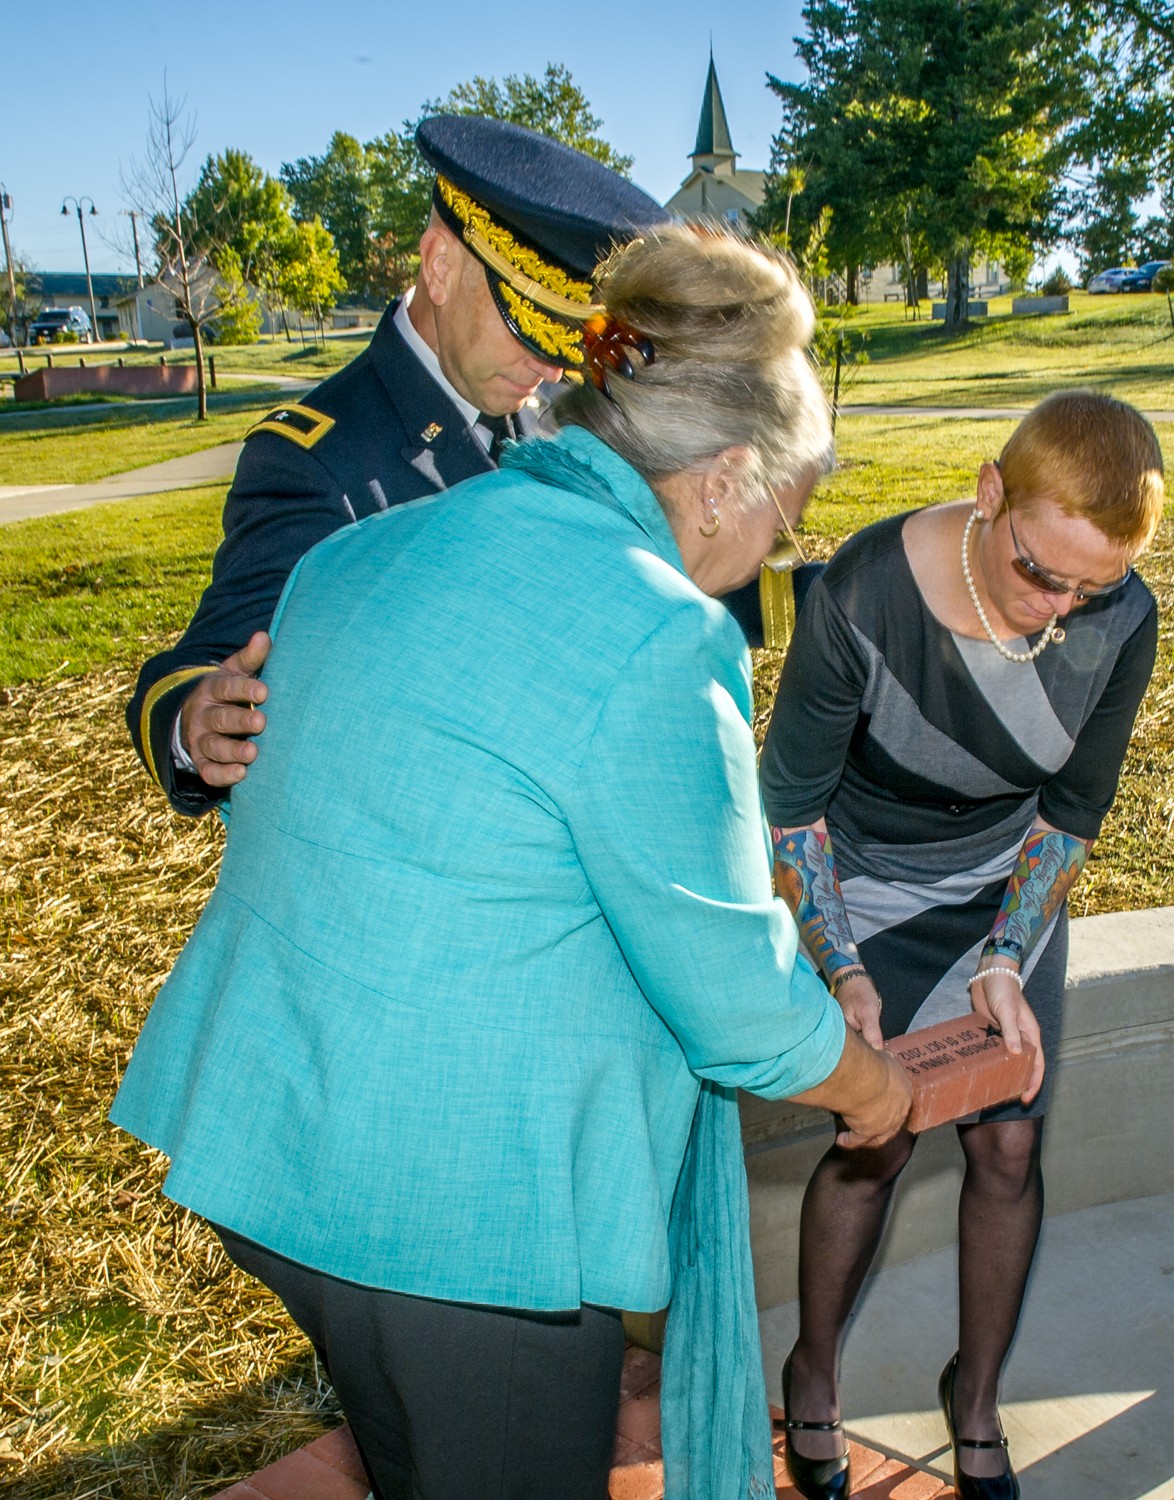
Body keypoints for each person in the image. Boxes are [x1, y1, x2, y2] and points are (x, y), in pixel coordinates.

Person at [108, 226, 913, 1500]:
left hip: (277, 1138)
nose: (772, 555)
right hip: (460, 1213)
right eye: (789, 519)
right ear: (724, 480)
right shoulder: (657, 630)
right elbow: (733, 992)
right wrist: (871, 1092)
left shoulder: (366, 548)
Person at [123, 115, 806, 816]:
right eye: (528, 329)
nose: (547, 367)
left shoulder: (548, 418)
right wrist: (192, 724)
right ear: (440, 266)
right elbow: (210, 663)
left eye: (568, 341)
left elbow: (617, 590)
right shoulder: (319, 460)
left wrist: (830, 604)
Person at [762, 391, 1162, 1500]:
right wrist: (842, 970)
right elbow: (790, 810)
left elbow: (1071, 812)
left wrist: (1004, 956)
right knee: (872, 1142)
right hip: (865, 888)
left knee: (1010, 1147)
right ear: (991, 492)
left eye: (1098, 585)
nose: (1064, 609)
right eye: (1044, 573)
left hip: (1006, 886)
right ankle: (815, 1371)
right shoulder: (861, 594)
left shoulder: (1125, 617)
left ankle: (975, 1401)